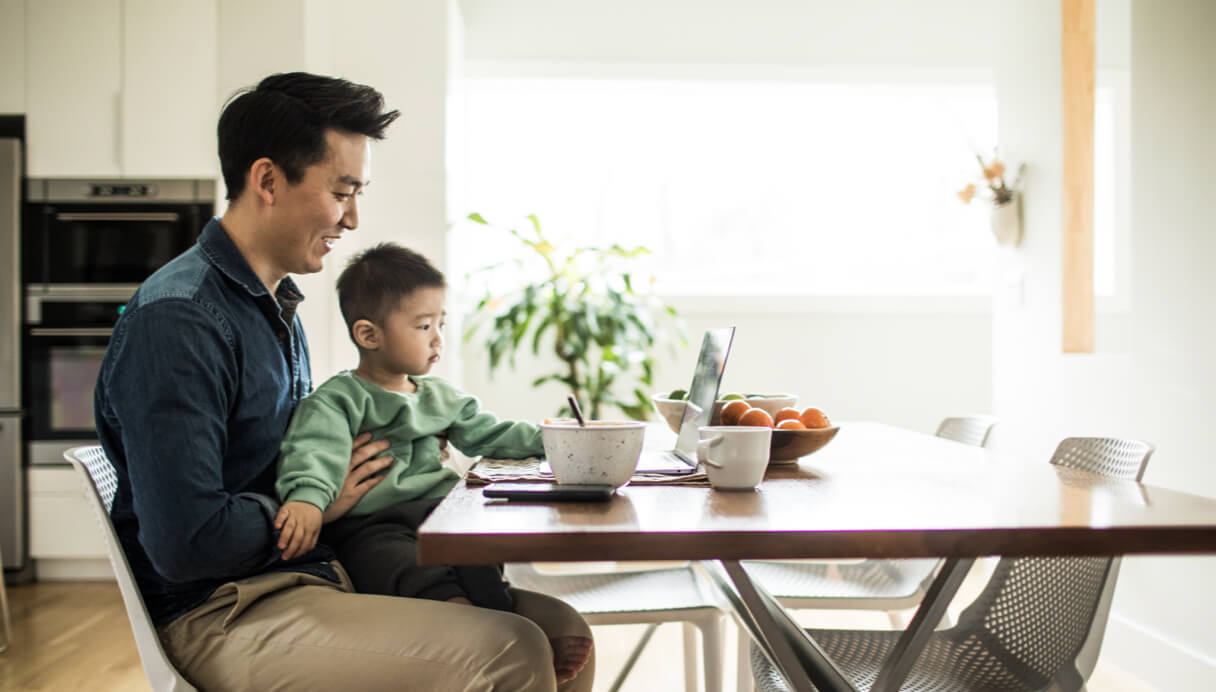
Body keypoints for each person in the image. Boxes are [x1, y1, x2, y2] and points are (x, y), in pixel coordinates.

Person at [94, 72, 593, 691]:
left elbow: (300, 448)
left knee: (562, 627)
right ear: (268, 180)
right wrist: (315, 504)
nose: (353, 219)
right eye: (342, 191)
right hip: (226, 611)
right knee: (509, 648)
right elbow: (187, 542)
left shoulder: (272, 306)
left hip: (307, 572)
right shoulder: (181, 323)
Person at [273, 243, 535, 613]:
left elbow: (491, 434)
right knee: (386, 558)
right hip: (374, 522)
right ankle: (453, 606)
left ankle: (499, 613)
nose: (437, 338)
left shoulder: (440, 396)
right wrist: (308, 501)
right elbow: (314, 454)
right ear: (369, 335)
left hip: (441, 509)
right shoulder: (338, 400)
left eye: (440, 324)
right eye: (424, 325)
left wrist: (555, 439)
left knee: (478, 545)